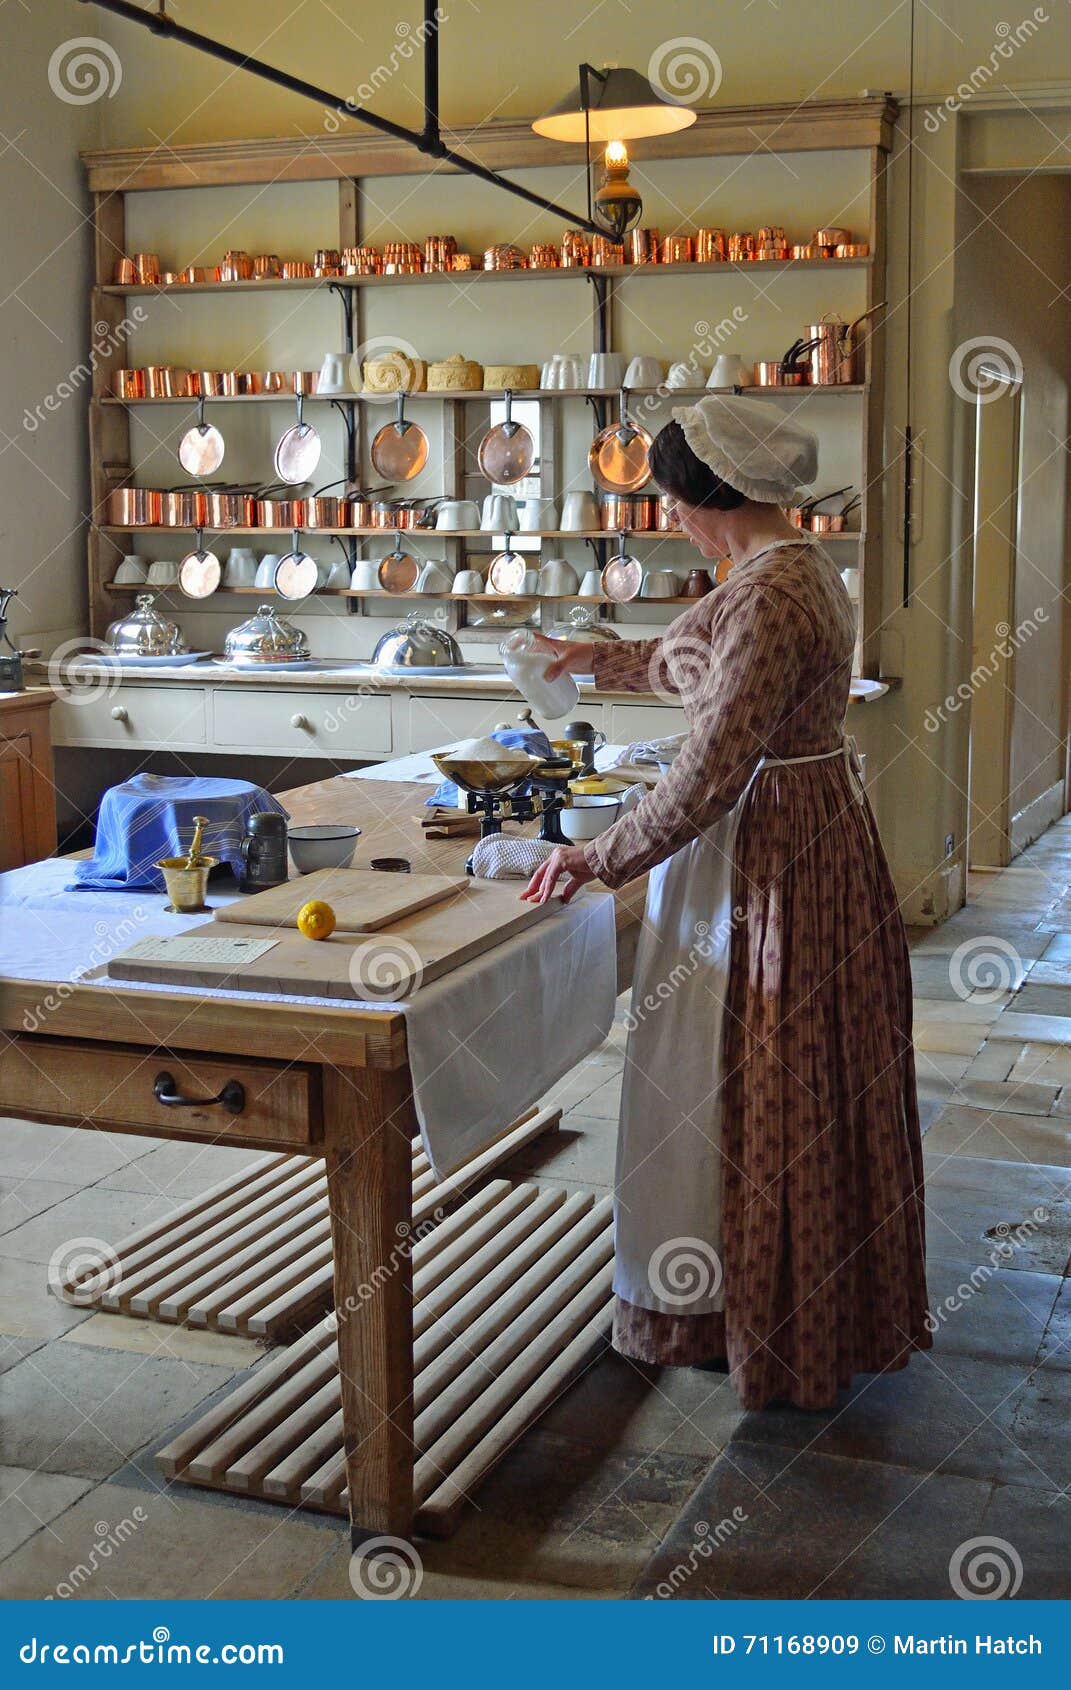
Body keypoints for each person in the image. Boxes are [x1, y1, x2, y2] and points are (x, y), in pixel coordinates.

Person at [522, 395, 930, 1410]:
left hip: (770, 857)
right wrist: (594, 657)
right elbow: (695, 668)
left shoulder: (766, 594)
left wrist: (597, 856)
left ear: (714, 499)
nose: (672, 521)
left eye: (674, 501)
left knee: (746, 1077)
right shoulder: (791, 569)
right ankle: (790, 1307)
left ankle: (764, 1321)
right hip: (807, 831)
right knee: (800, 1073)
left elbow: (708, 771)